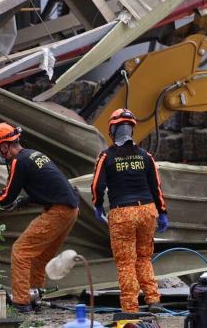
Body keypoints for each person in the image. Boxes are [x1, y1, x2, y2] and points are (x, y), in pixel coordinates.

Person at [0, 122, 80, 313]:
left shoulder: (18, 161)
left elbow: (7, 195)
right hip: (70, 210)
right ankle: (35, 297)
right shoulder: (33, 154)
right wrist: (22, 203)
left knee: (20, 251)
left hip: (58, 211)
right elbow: (46, 186)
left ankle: (22, 303)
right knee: (39, 256)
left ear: (5, 145)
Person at [91, 109, 168, 313]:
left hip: (122, 213)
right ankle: (153, 300)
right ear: (132, 129)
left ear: (112, 129)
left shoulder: (106, 156)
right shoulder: (146, 156)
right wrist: (163, 212)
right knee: (144, 258)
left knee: (126, 262)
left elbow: (97, 186)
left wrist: (98, 206)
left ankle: (130, 308)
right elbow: (156, 187)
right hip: (147, 211)